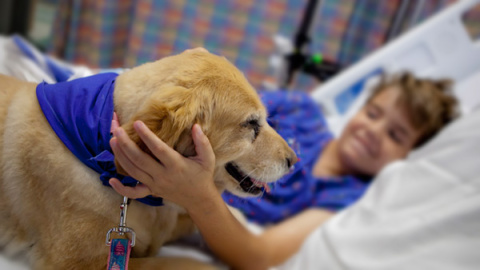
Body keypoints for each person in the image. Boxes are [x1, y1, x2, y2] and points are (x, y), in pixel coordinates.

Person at [108, 70, 458, 269]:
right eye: (374, 113)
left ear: (408, 156)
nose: (373, 131)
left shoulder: (348, 198)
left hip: (202, 212)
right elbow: (223, 110)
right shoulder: (302, 111)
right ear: (361, 107)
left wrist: (198, 197)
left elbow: (259, 256)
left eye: (395, 134)